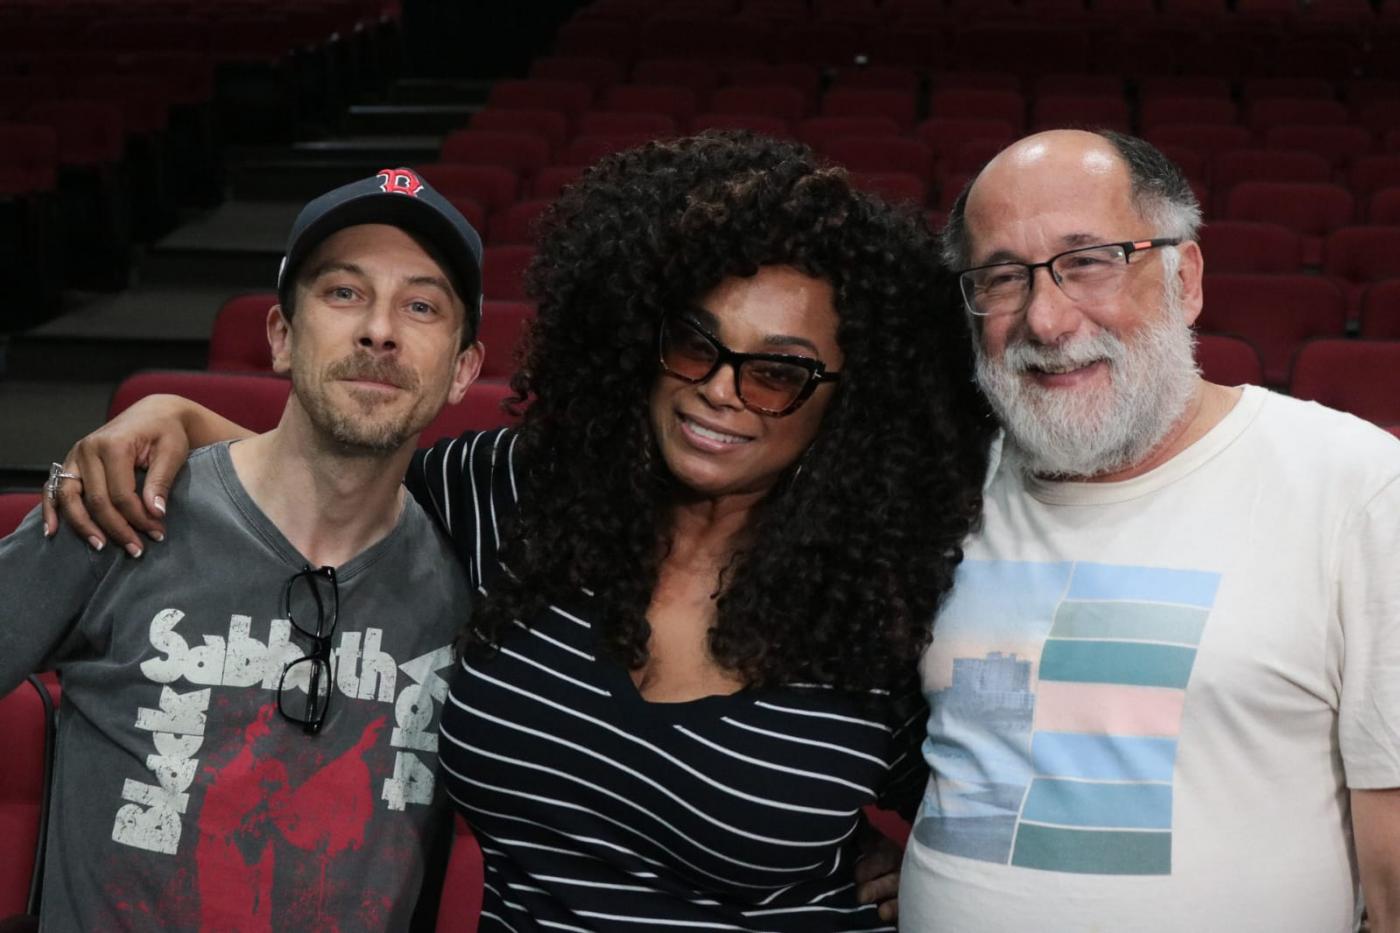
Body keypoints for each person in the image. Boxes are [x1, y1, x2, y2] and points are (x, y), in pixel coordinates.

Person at [45, 132, 994, 930]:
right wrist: (172, 413)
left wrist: (914, 870)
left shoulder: (891, 595)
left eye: (778, 372)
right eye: (695, 343)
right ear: (640, 337)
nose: (720, 389)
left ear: (846, 403)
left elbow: (992, 816)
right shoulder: (517, 496)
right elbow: (324, 476)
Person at [900, 129, 1400, 932]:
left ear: (1186, 278)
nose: (1048, 319)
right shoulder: (940, 490)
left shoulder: (1357, 485)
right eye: (1002, 277)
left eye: (1089, 260)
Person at [0, 167, 487, 930]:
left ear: (463, 370)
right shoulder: (129, 503)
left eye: (421, 306)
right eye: (344, 293)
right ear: (282, 337)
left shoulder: (476, 573)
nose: (380, 330)